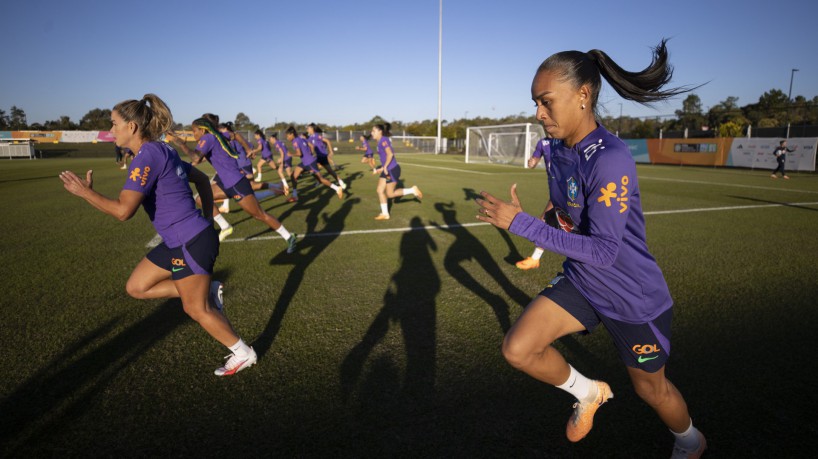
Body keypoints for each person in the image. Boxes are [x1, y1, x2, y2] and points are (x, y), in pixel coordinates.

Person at [475, 40, 706, 458]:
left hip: (632, 297)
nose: (538, 113)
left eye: (546, 102)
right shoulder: (556, 150)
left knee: (651, 391)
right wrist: (543, 217)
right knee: (518, 348)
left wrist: (519, 223)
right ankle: (588, 393)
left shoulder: (611, 158)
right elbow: (566, 211)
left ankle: (690, 441)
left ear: (583, 95)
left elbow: (603, 250)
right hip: (583, 283)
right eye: (535, 103)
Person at [59, 94, 257, 376]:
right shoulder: (159, 150)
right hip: (182, 239)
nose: (110, 130)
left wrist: (85, 193)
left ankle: (242, 352)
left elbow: (123, 211)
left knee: (195, 309)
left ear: (132, 127)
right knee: (137, 287)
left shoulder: (148, 156)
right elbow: (200, 179)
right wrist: (208, 218)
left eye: (114, 124)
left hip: (190, 241)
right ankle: (207, 288)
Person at [166, 118, 298, 253]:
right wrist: (248, 148)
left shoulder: (208, 138)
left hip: (236, 183)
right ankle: (225, 226)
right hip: (225, 182)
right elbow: (236, 135)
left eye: (195, 131)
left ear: (203, 130)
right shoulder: (217, 135)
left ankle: (289, 236)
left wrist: (180, 144)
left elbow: (195, 158)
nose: (194, 134)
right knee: (200, 199)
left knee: (260, 215)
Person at [371, 122, 423, 221]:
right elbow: (385, 158)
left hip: (392, 170)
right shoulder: (380, 142)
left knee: (390, 194)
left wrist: (385, 167)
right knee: (379, 190)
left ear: (380, 131)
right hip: (387, 169)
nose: (371, 133)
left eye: (373, 131)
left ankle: (412, 190)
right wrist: (382, 168)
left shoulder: (384, 140)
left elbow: (390, 154)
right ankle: (385, 214)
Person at [516, 136, 554, 270]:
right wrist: (532, 162)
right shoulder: (542, 143)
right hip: (556, 190)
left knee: (544, 221)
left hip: (568, 189)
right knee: (546, 221)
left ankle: (535, 258)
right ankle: (535, 258)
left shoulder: (565, 139)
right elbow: (534, 160)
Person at [286, 125, 344, 203]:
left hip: (309, 163)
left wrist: (291, 154)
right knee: (293, 176)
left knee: (320, 179)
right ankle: (295, 195)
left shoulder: (295, 141)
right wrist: (310, 152)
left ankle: (337, 188)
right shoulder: (300, 138)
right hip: (306, 162)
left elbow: (299, 154)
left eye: (287, 136)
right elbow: (311, 145)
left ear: (291, 134)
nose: (287, 138)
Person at [307, 123, 346, 190]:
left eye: (308, 128)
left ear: (312, 129)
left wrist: (331, 151)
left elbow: (327, 141)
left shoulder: (316, 136)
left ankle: (321, 180)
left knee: (312, 169)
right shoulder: (310, 138)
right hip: (318, 156)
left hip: (322, 156)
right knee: (327, 171)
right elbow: (311, 147)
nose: (307, 129)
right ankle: (341, 183)